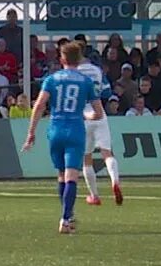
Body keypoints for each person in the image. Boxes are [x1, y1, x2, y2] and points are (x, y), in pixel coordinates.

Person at [22, 41, 106, 235]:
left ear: (61, 59)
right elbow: (99, 112)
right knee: (72, 176)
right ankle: (66, 218)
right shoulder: (85, 81)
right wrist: (88, 116)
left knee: (61, 175)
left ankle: (67, 215)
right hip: (75, 130)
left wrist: (31, 133)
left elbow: (40, 105)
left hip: (56, 130)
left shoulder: (52, 79)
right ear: (79, 59)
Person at [76, 57, 123, 205]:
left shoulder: (74, 72)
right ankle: (114, 181)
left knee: (86, 157)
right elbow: (107, 92)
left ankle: (94, 195)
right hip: (99, 113)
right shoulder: (97, 71)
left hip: (83, 115)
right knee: (107, 152)